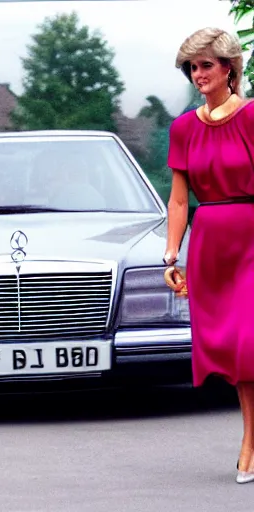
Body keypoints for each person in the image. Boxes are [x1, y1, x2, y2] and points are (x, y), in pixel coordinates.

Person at [165, 27, 254, 484]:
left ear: (229, 69)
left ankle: (248, 444)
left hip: (252, 240)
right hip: (210, 246)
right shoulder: (183, 128)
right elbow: (180, 201)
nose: (198, 74)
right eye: (192, 67)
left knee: (248, 342)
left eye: (206, 64)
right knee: (231, 351)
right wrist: (170, 255)